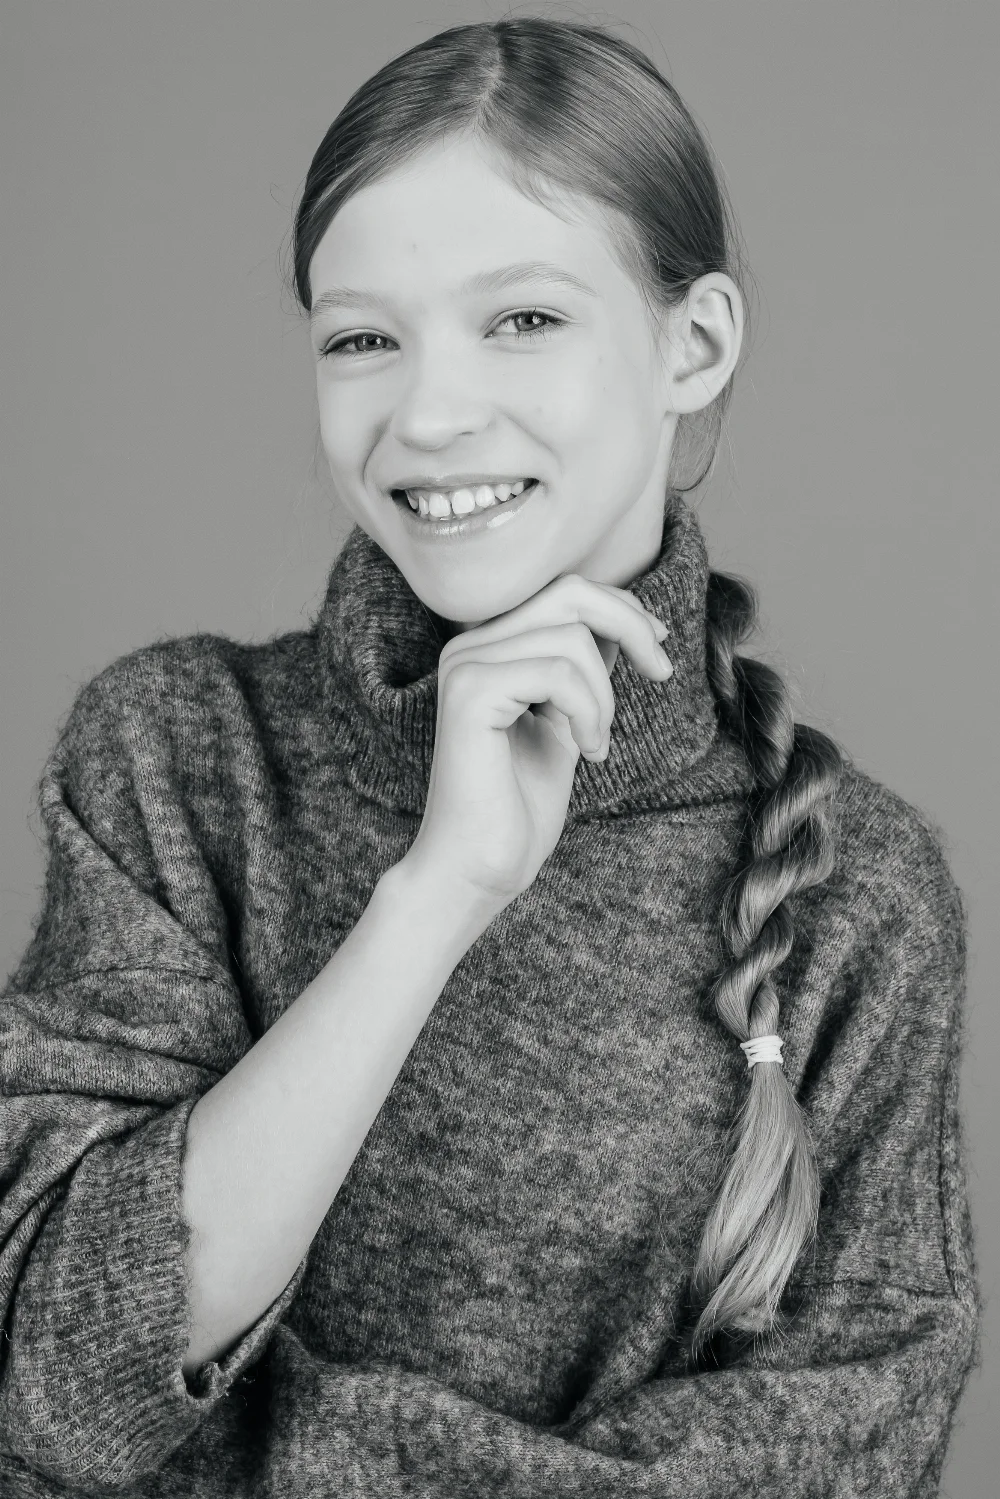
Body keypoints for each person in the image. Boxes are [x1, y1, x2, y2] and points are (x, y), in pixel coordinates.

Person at [0, 16, 981, 1498]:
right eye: (361, 338)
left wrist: (259, 1458)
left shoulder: (863, 894)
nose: (431, 413)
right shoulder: (176, 756)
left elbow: (845, 1451)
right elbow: (58, 1387)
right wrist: (435, 896)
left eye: (522, 317)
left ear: (694, 343)